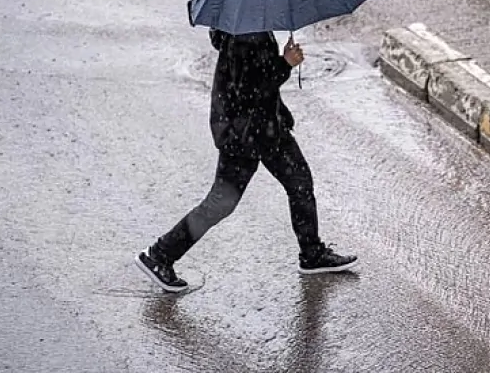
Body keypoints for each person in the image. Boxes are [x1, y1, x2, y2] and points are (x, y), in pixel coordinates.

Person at [135, 29, 357, 292]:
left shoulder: (251, 28)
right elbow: (249, 91)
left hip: (266, 128)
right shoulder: (243, 36)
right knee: (221, 203)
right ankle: (160, 255)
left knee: (300, 182)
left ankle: (312, 253)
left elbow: (257, 81)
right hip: (242, 134)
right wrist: (284, 63)